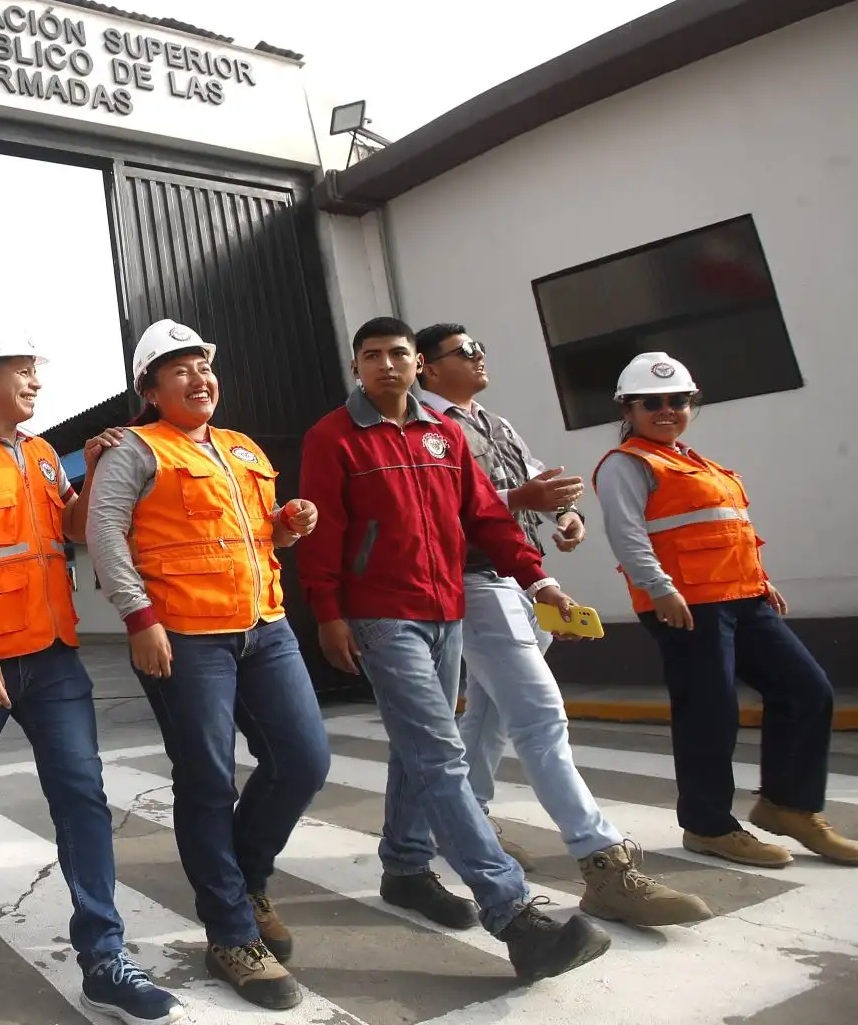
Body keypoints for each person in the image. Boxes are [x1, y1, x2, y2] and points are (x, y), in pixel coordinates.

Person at [295, 316, 611, 983]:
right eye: (372, 355)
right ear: (357, 367)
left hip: (448, 610)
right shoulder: (333, 437)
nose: (386, 364)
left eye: (398, 354)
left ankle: (407, 869)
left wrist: (542, 579)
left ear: (416, 366)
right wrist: (329, 614)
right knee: (441, 755)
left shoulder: (443, 435)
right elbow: (326, 534)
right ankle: (514, 914)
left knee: (421, 751)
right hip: (383, 616)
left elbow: (487, 518)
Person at [0, 320, 184, 1025]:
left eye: (36, 370)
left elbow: (69, 529)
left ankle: (103, 957)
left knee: (81, 794)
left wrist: (88, 471)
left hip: (52, 653)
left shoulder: (39, 455)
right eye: (23, 370)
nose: (36, 381)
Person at [414, 324, 710, 926]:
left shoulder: (495, 424)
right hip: (473, 578)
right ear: (428, 367)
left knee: (491, 713)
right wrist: (519, 500)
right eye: (465, 351)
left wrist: (566, 513)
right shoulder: (422, 428)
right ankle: (603, 861)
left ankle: (464, 819)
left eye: (480, 346)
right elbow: (432, 507)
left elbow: (537, 475)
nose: (479, 356)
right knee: (541, 716)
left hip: (520, 577)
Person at [85, 319, 328, 1009]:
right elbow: (104, 534)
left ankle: (246, 882)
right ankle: (229, 932)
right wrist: (139, 619)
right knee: (207, 781)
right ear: (151, 389)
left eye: (204, 367)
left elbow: (258, 538)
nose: (199, 379)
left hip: (264, 626)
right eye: (180, 369)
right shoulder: (136, 448)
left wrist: (287, 524)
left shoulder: (242, 449)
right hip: (184, 636)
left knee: (303, 759)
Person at [593, 352, 856, 867]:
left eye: (679, 401)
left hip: (744, 598)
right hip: (686, 604)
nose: (667, 410)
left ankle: (788, 806)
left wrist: (761, 581)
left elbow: (727, 531)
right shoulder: (628, 464)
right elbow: (626, 534)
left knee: (807, 690)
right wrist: (659, 588)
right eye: (652, 403)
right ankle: (708, 825)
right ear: (628, 408)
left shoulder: (697, 463)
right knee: (709, 713)